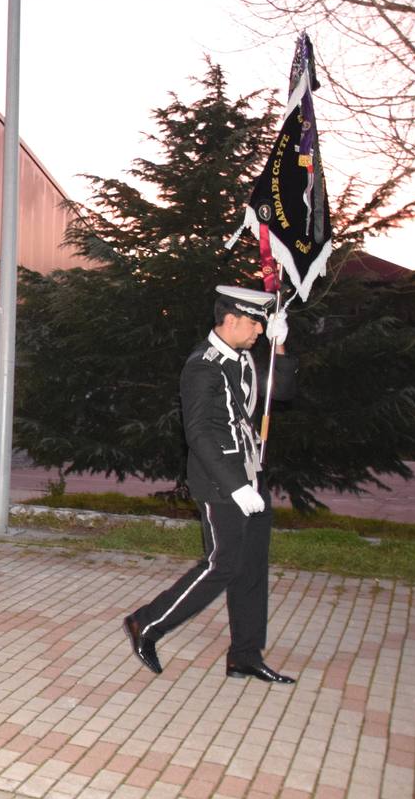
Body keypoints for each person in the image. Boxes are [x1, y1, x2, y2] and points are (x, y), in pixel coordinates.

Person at [124, 285, 298, 684]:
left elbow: (283, 395)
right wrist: (235, 486)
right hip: (222, 483)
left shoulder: (247, 358)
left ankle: (245, 656)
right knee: (222, 566)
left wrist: (281, 347)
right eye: (256, 323)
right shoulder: (202, 365)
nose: (260, 331)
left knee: (251, 569)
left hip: (252, 475)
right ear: (232, 320)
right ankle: (147, 623)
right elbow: (199, 432)